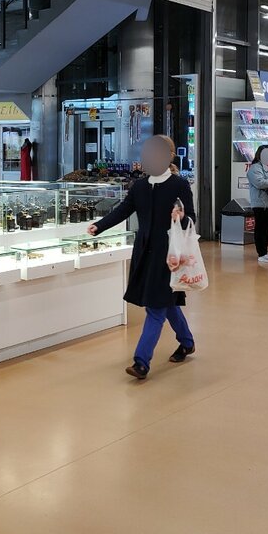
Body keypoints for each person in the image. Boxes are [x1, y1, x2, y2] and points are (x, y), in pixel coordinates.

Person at [88, 135, 197, 381]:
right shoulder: (139, 186)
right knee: (166, 302)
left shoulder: (179, 185)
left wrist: (181, 217)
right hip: (144, 253)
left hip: (169, 255)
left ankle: (141, 361)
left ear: (169, 156)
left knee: (156, 308)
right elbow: (123, 210)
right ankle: (187, 342)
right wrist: (100, 226)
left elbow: (192, 218)